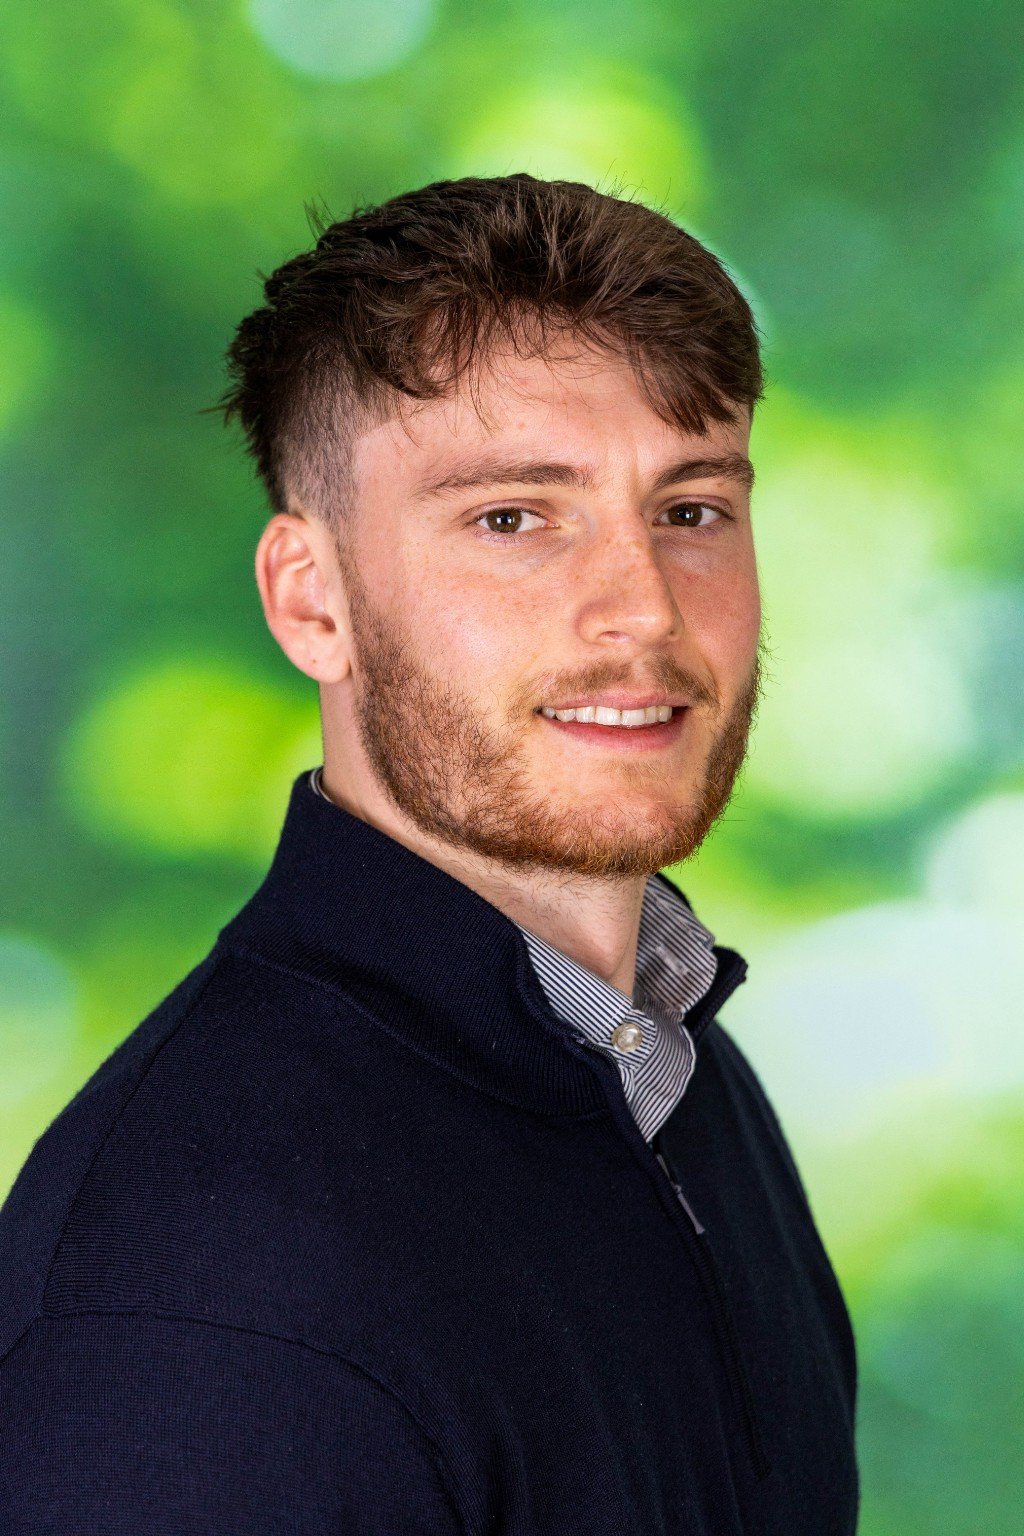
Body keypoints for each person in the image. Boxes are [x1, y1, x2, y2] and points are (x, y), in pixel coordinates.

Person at [0, 174, 859, 1533]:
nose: (643, 611)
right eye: (514, 517)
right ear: (312, 602)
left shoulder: (688, 1085)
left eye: (691, 509)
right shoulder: (195, 1297)